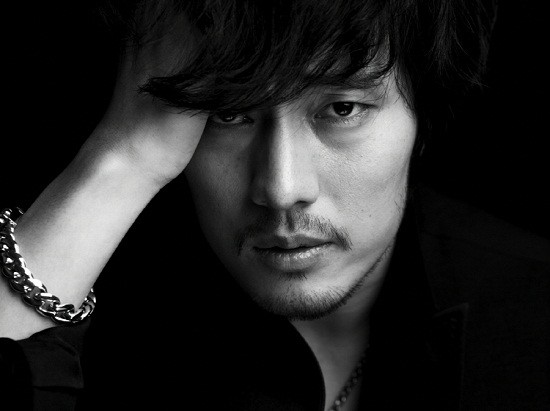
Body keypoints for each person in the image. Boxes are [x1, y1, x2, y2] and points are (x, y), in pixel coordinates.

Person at [1, 1, 549, 410]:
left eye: (342, 109)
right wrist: (122, 160)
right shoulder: (121, 321)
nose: (282, 188)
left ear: (420, 117)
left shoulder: (530, 314)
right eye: (228, 114)